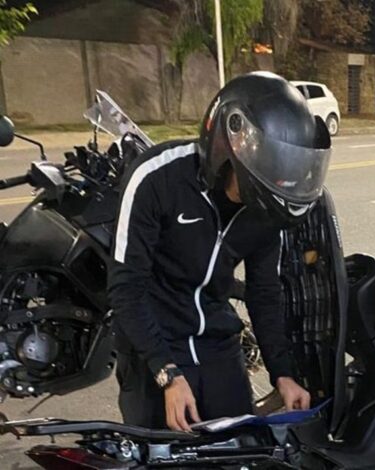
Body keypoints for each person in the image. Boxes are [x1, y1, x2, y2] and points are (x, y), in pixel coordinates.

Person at [108, 72, 332, 431]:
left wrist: (283, 374)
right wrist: (167, 374)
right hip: (154, 347)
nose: (280, 180)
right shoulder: (156, 178)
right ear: (229, 147)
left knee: (241, 447)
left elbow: (264, 293)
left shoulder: (269, 207)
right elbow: (127, 291)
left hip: (217, 345)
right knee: (163, 453)